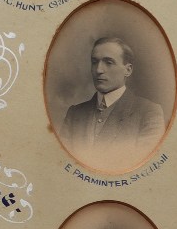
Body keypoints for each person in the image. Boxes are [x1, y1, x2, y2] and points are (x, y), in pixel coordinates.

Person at [61, 36, 165, 167]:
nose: (99, 70)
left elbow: (144, 165)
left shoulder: (148, 112)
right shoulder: (74, 114)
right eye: (94, 62)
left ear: (128, 70)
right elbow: (63, 163)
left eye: (109, 62)